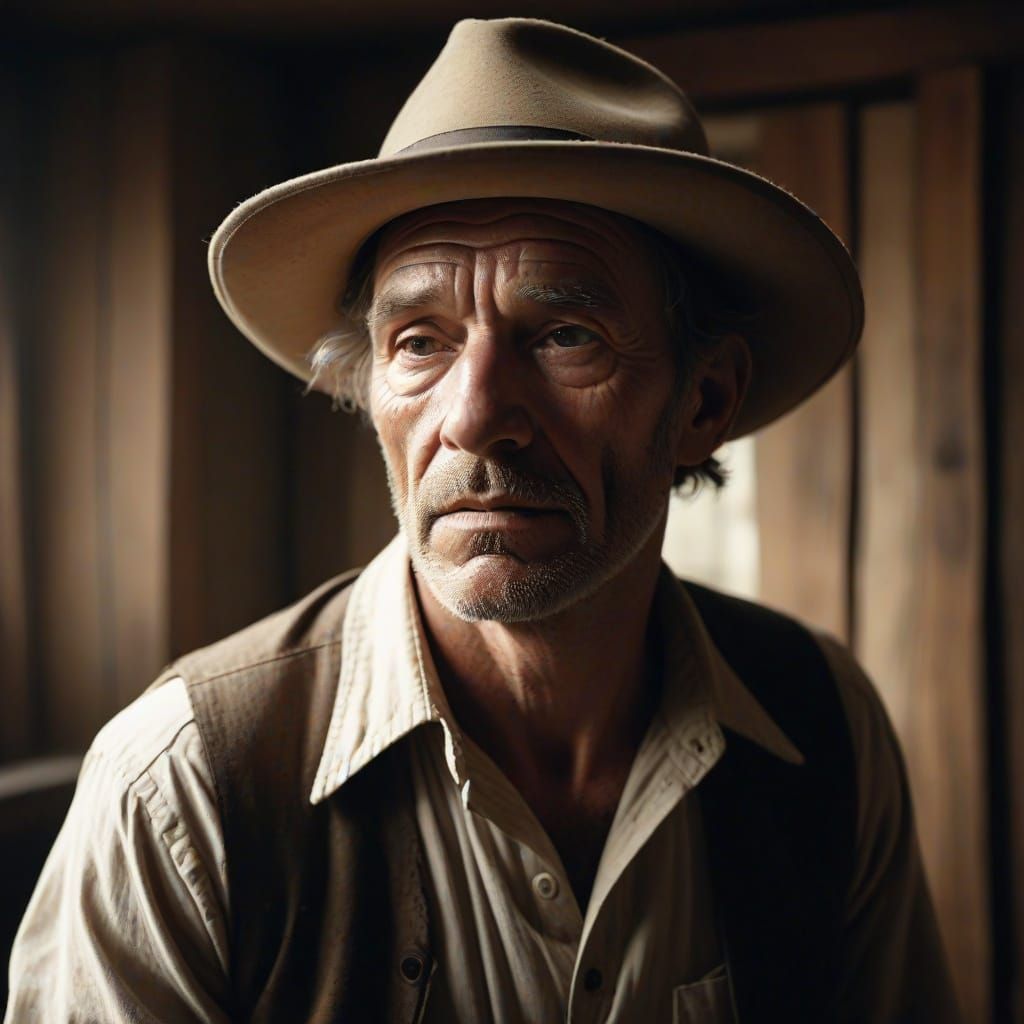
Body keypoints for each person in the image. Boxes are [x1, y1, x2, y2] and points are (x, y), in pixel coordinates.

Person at [6, 17, 960, 1024]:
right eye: (420, 341)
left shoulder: (820, 722)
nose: (472, 417)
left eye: (564, 334)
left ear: (703, 401)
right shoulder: (182, 785)